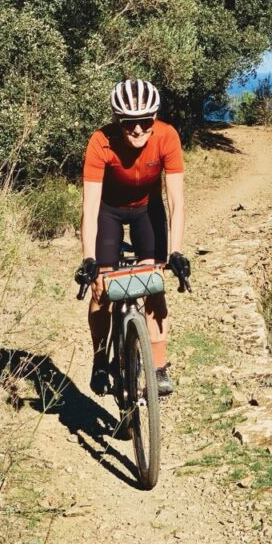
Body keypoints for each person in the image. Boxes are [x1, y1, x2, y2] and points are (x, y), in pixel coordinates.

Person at [75, 79, 191, 397]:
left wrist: (177, 251)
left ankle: (159, 367)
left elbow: (176, 201)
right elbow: (90, 204)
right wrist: (89, 259)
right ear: (117, 121)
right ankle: (100, 360)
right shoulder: (101, 142)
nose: (138, 130)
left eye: (145, 122)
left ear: (154, 119)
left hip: (146, 211)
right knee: (101, 287)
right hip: (108, 212)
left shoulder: (167, 137)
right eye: (129, 123)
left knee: (153, 282)